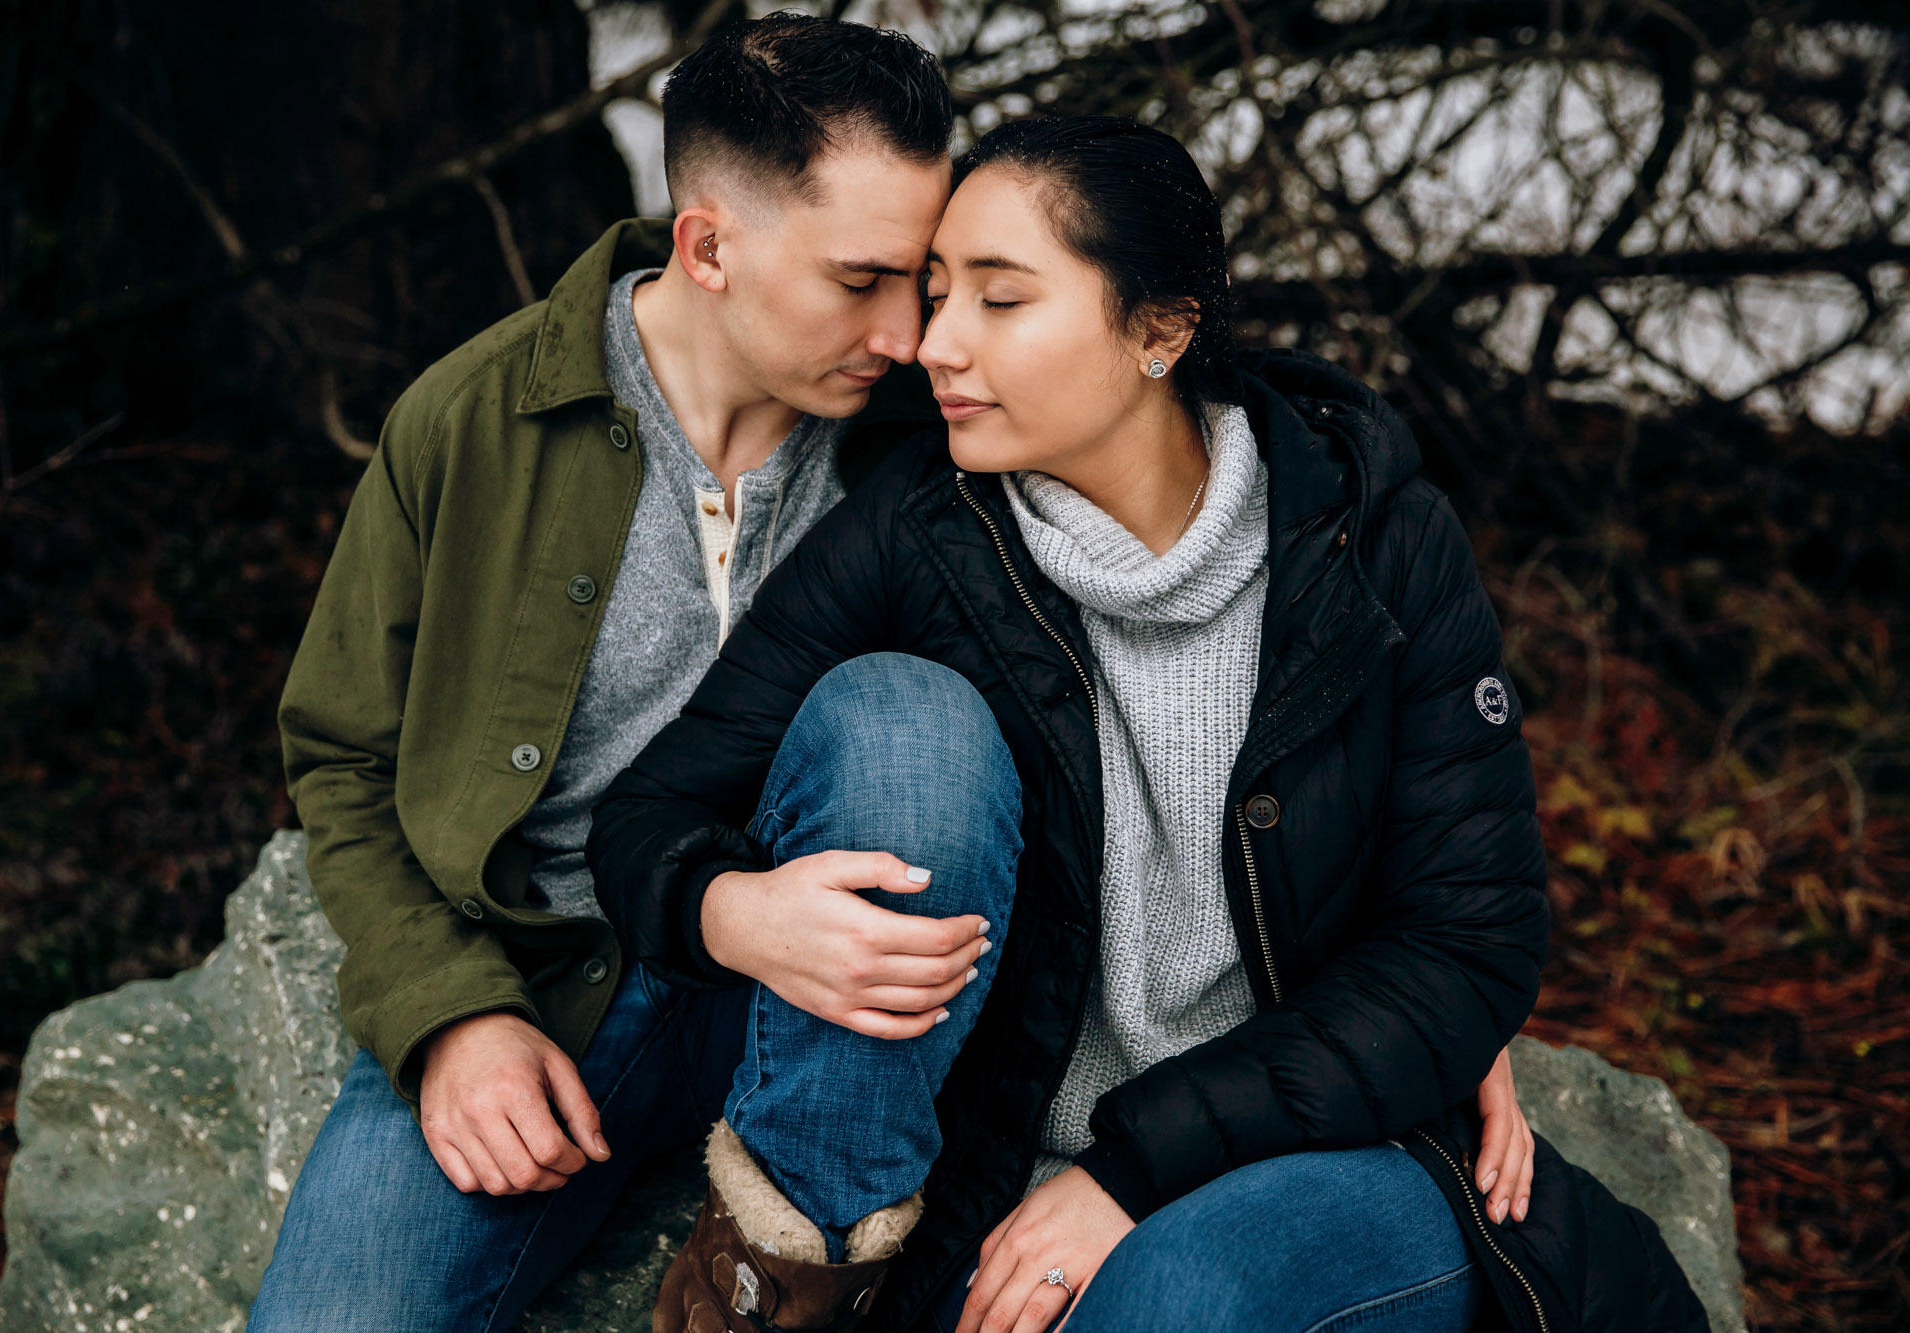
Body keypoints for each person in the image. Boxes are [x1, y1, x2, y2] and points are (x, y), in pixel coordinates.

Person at [253, 13, 1533, 1326]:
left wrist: (1421, 1005)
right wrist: (448, 1013)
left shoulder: (956, 423)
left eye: (930, 280)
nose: (913, 332)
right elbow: (345, 760)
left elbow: (1168, 404)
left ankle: (799, 1280)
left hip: (867, 1008)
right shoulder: (481, 423)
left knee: (904, 725)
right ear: (708, 248)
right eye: (868, 280)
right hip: (557, 978)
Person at [586, 116, 1706, 1332]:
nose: (933, 343)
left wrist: (1126, 1172)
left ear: (1160, 329)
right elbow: (650, 816)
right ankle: (790, 1288)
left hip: (1314, 1155)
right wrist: (731, 909)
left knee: (1178, 1293)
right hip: (999, 1184)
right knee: (895, 717)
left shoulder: (1367, 539)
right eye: (937, 290)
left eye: (1000, 301)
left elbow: (1466, 940)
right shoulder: (921, 529)